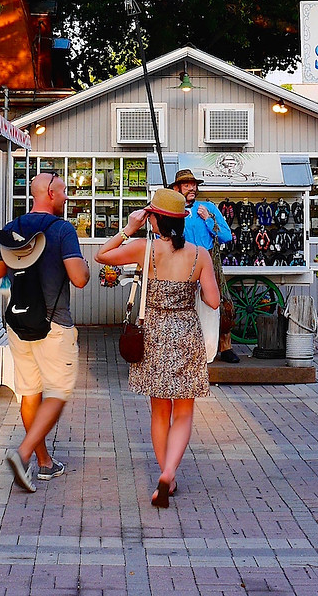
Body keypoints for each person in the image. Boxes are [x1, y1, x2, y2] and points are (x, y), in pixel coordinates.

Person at [95, 187, 220, 508]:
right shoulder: (199, 254)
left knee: (159, 411)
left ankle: (165, 474)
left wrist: (129, 227)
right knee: (184, 411)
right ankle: (170, 474)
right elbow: (214, 300)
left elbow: (102, 255)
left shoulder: (143, 248)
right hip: (186, 334)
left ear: (155, 220)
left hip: (153, 334)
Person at [0, 172, 89, 493]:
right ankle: (23, 454)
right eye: (63, 191)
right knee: (58, 392)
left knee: (30, 392)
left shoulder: (12, 227)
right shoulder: (62, 230)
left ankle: (44, 463)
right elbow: (79, 279)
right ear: (49, 192)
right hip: (54, 325)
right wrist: (83, 266)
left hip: (19, 321)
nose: (66, 197)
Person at [171, 168, 237, 361]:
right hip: (181, 264)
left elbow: (226, 236)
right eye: (186, 185)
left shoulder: (208, 208)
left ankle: (225, 347)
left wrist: (208, 219)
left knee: (218, 304)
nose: (191, 188)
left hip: (207, 261)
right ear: (177, 188)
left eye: (193, 185)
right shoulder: (173, 210)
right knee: (184, 307)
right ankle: (187, 349)